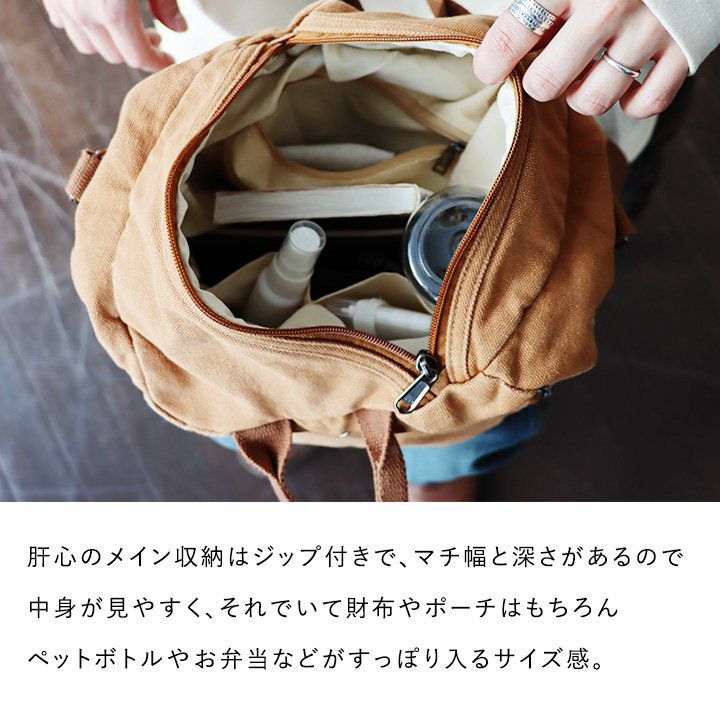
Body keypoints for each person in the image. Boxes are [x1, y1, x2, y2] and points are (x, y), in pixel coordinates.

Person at [44, 0, 720, 501]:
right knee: (229, 367)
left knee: (538, 284)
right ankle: (356, 438)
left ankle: (430, 460)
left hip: (572, 52)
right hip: (243, 38)